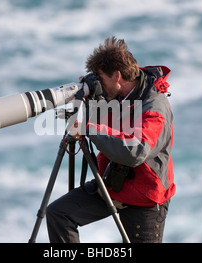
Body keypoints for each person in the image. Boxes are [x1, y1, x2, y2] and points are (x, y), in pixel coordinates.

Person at [46, 36, 175, 243]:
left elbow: (136, 151)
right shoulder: (117, 93)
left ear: (117, 76)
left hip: (145, 198)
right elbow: (107, 124)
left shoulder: (155, 107)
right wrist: (91, 100)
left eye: (100, 79)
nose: (100, 84)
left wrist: (89, 128)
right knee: (58, 215)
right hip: (112, 183)